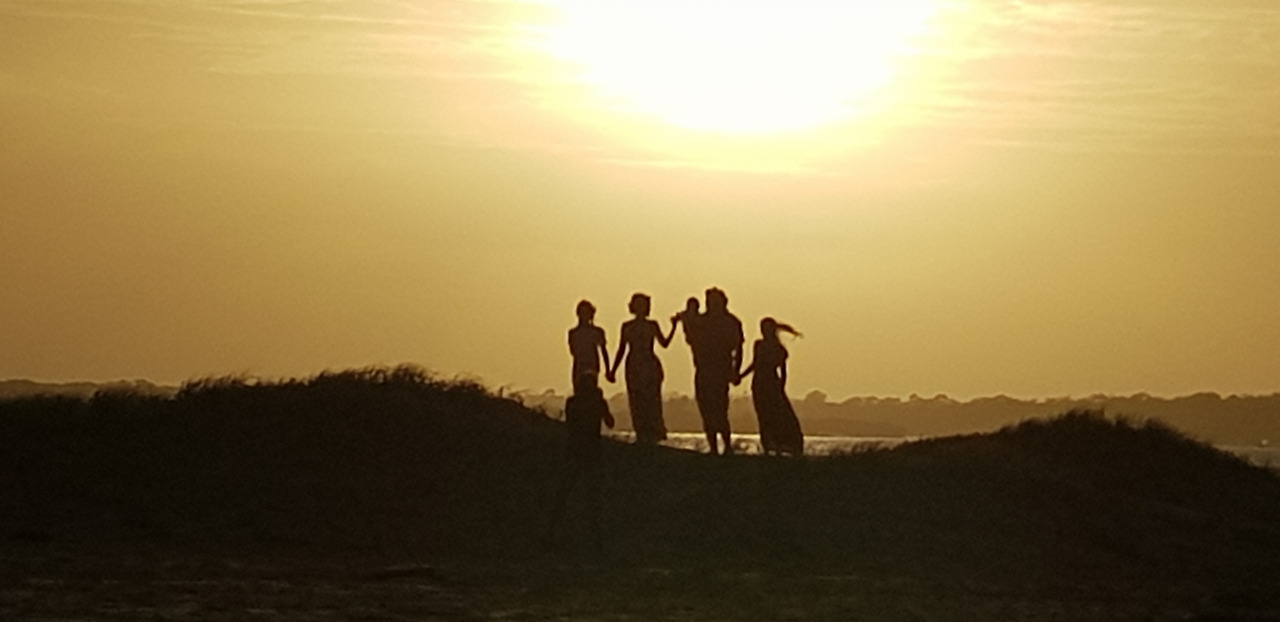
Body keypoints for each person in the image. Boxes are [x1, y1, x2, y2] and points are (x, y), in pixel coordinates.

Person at [545, 372, 615, 549]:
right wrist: (601, 404)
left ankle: (551, 532)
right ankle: (595, 536)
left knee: (565, 493)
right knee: (592, 495)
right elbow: (610, 422)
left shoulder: (573, 403)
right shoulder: (596, 402)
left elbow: (570, 424)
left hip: (575, 450)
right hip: (591, 451)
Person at [607, 293, 675, 444]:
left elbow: (664, 343)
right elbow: (621, 349)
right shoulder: (627, 326)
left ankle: (654, 433)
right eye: (638, 304)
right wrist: (612, 370)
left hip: (650, 364)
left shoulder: (652, 325)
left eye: (643, 305)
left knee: (652, 400)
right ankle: (641, 433)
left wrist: (673, 327)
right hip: (633, 365)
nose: (641, 308)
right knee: (636, 400)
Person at [686, 287, 743, 455]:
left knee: (720, 409)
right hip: (703, 369)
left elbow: (738, 348)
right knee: (706, 408)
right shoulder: (701, 321)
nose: (712, 306)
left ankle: (727, 446)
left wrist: (736, 370)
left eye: (715, 302)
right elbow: (691, 338)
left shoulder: (731, 322)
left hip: (721, 370)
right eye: (710, 302)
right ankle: (713, 447)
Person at [740, 317, 803, 455]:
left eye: (766, 329)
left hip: (771, 383)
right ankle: (768, 447)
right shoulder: (759, 345)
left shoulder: (779, 349)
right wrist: (740, 376)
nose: (763, 332)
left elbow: (783, 371)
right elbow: (754, 364)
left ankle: (781, 446)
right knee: (763, 415)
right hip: (759, 383)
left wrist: (781, 387)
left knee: (776, 415)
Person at [567, 300, 609, 386]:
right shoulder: (573, 333)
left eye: (586, 312)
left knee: (591, 388)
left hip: (592, 365)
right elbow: (573, 351)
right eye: (582, 312)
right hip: (579, 366)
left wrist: (607, 369)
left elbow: (604, 351)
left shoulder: (597, 332)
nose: (584, 315)